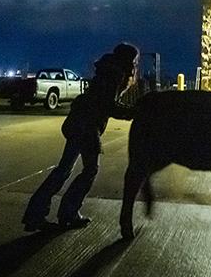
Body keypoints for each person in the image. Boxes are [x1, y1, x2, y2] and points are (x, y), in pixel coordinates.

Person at [22, 42, 139, 231]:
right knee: (89, 169)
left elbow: (105, 103)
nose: (135, 64)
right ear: (128, 59)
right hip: (87, 125)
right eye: (134, 60)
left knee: (64, 169)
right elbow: (108, 105)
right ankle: (67, 213)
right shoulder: (114, 73)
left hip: (79, 122)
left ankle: (36, 214)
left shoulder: (107, 69)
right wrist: (135, 112)